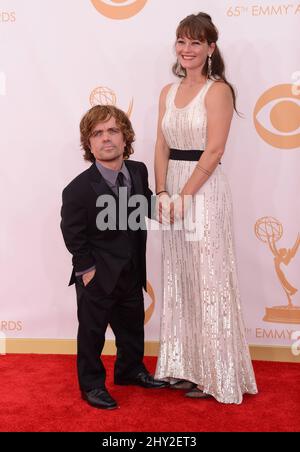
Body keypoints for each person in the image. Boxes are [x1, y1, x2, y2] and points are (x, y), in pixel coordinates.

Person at [154, 12, 258, 404]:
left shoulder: (218, 91)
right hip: (174, 192)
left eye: (196, 42)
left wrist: (185, 195)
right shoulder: (167, 91)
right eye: (182, 41)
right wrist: (162, 191)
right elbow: (161, 144)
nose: (188, 49)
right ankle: (186, 366)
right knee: (181, 277)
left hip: (205, 191)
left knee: (209, 279)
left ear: (211, 48)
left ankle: (216, 373)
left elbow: (214, 149)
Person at [61, 105, 168, 410]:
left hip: (132, 270)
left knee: (132, 325)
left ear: (125, 138)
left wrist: (168, 204)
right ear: (89, 143)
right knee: (92, 333)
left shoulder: (138, 171)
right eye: (97, 133)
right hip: (98, 274)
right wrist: (86, 270)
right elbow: (73, 233)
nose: (106, 138)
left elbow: (144, 205)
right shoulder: (78, 189)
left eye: (112, 131)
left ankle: (130, 370)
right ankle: (92, 385)